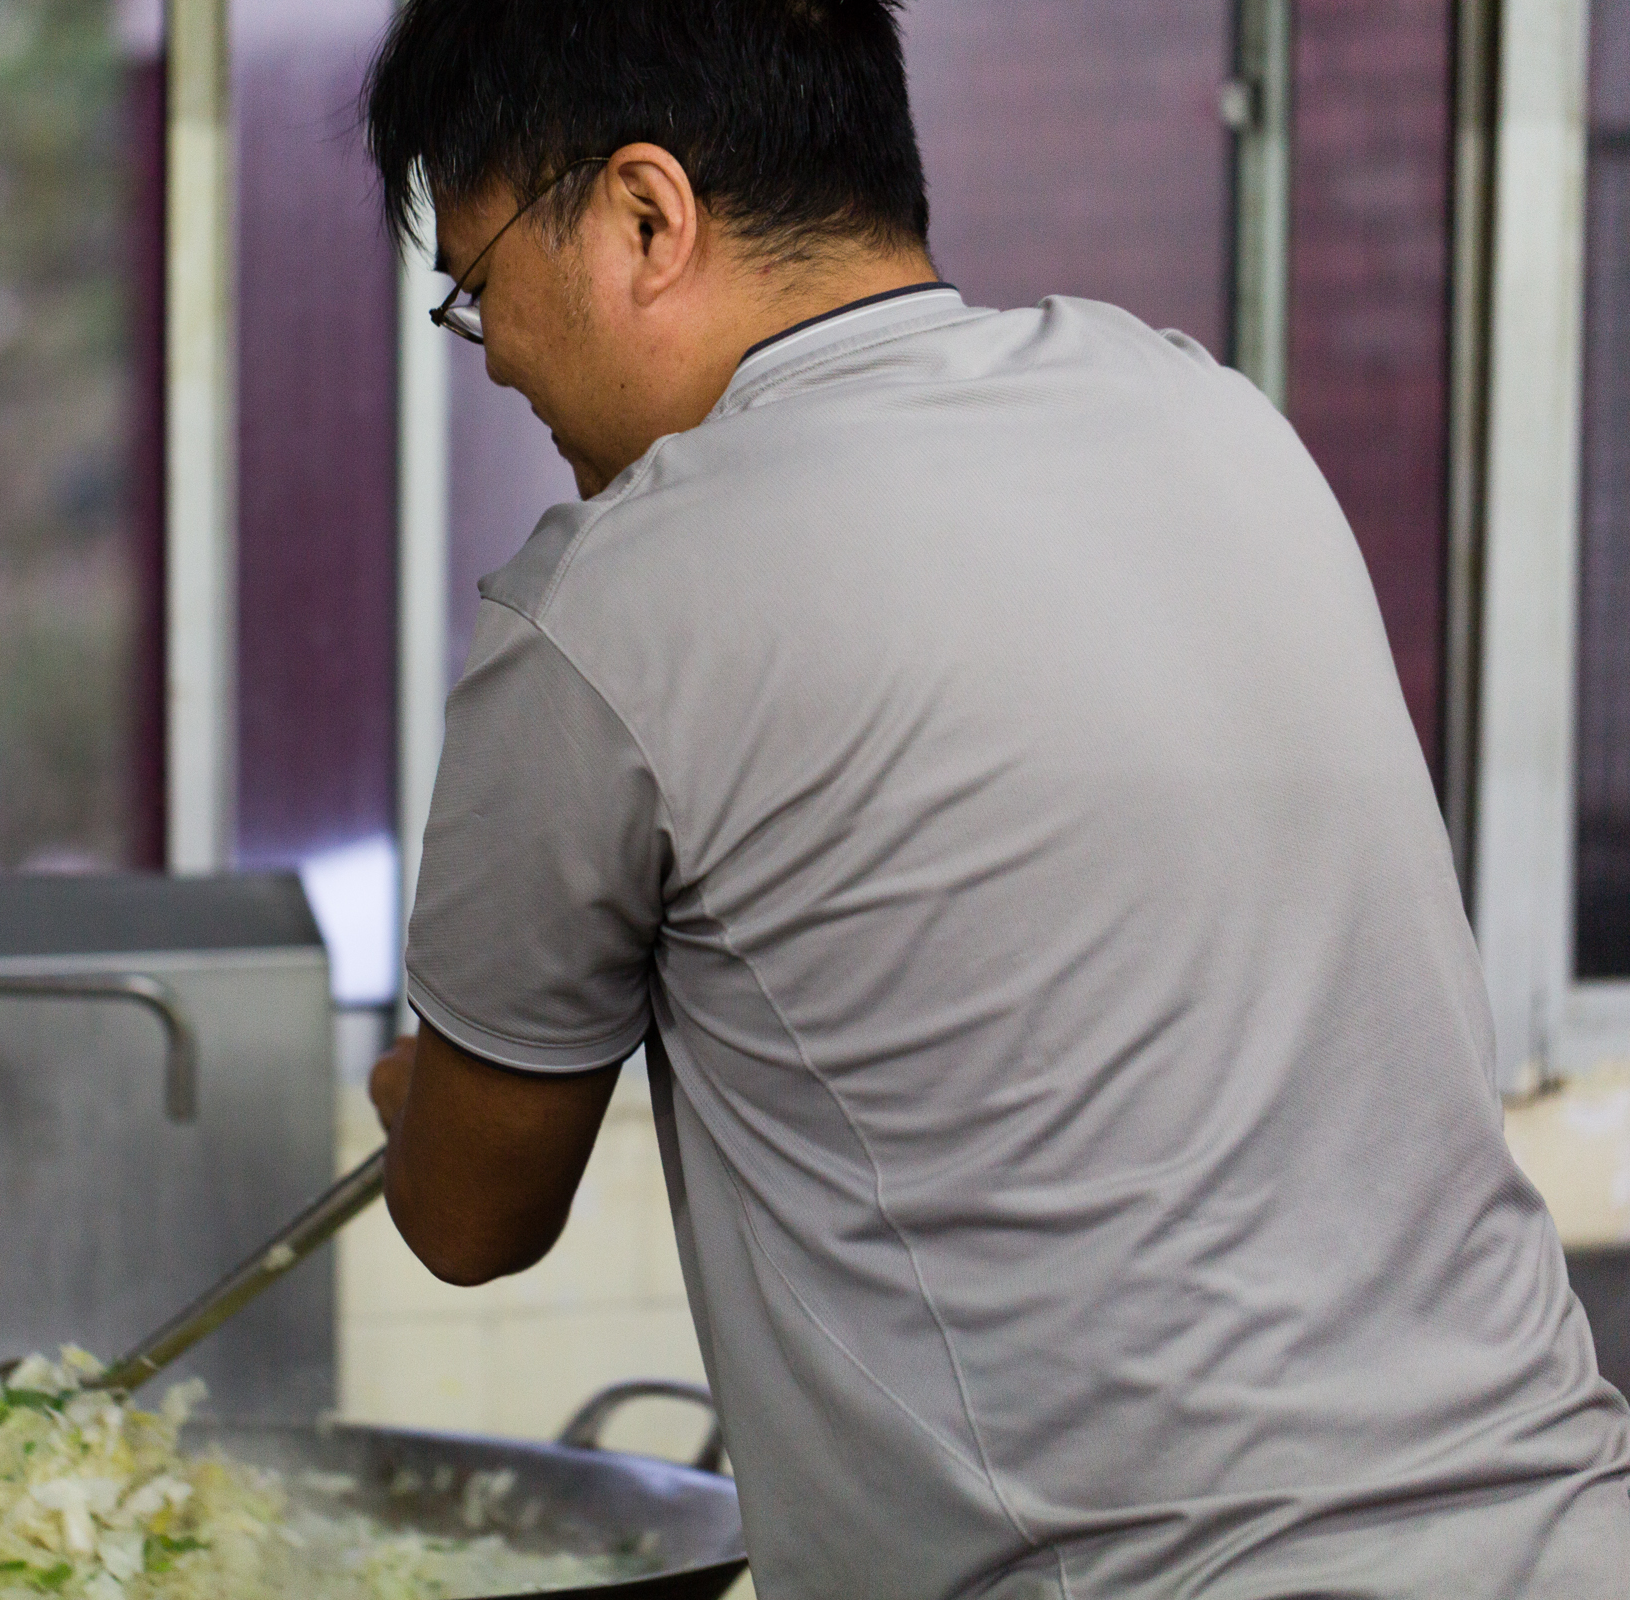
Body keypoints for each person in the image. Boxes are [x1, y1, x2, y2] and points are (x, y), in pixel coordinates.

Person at [358, 2, 1630, 1596]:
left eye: (482, 290)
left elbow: (473, 1219)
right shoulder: (1211, 417)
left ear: (643, 214)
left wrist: (425, 1105)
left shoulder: (616, 602)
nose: (500, 363)